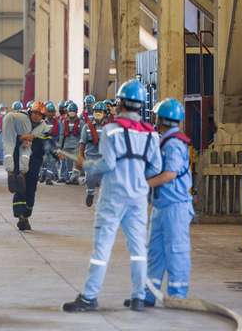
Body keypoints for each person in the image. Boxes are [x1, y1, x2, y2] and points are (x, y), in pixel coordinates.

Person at [62, 79, 161, 313]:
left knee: (102, 248)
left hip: (113, 196)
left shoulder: (111, 130)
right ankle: (138, 297)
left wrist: (86, 165)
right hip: (138, 197)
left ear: (121, 103)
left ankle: (89, 296)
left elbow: (107, 164)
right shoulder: (151, 134)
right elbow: (156, 168)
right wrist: (138, 178)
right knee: (138, 249)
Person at [127, 98, 194, 308]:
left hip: (176, 207)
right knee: (155, 252)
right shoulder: (164, 140)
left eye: (156, 117)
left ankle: (177, 295)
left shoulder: (173, 144)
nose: (154, 120)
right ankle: (148, 293)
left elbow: (170, 174)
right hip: (161, 205)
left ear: (162, 119)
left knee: (176, 250)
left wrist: (143, 185)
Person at [5, 101, 57, 231]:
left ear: (43, 116)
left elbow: (48, 143)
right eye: (34, 113)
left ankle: (26, 214)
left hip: (34, 162)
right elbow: (9, 137)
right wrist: (21, 138)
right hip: (19, 159)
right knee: (20, 187)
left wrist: (55, 153)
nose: (36, 116)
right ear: (30, 112)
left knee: (31, 188)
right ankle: (21, 217)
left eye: (39, 114)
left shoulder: (44, 129)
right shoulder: (20, 123)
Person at [78, 101, 109, 206]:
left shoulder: (109, 127)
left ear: (105, 113)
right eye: (96, 111)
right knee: (90, 178)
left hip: (104, 157)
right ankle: (90, 193)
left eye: (100, 111)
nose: (98, 113)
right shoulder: (87, 127)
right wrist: (81, 156)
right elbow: (82, 143)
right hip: (90, 156)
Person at [60, 102, 82, 184]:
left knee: (76, 163)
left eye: (73, 111)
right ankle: (70, 178)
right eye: (70, 111)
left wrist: (82, 146)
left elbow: (83, 135)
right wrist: (60, 146)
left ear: (76, 111)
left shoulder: (81, 122)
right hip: (67, 145)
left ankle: (75, 178)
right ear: (68, 112)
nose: (72, 112)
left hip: (77, 145)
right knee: (68, 163)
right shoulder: (65, 122)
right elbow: (62, 134)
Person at [40, 101, 60, 185]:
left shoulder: (57, 123)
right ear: (46, 112)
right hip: (44, 145)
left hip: (53, 145)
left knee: (51, 161)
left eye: (52, 112)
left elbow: (59, 134)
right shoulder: (42, 122)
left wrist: (58, 145)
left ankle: (49, 178)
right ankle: (42, 175)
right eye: (49, 111)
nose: (51, 114)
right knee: (44, 161)